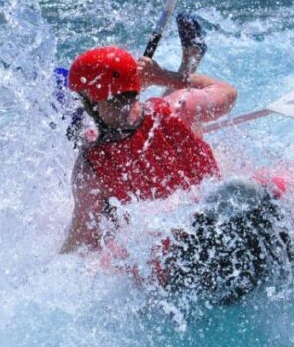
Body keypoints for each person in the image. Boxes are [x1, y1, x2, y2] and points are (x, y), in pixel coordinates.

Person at [60, 14, 237, 253]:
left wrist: (163, 76)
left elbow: (80, 243)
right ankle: (191, 58)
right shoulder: (178, 108)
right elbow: (226, 93)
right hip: (176, 233)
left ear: (91, 99)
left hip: (207, 211)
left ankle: (190, 59)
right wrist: (162, 77)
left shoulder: (89, 167)